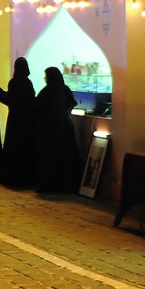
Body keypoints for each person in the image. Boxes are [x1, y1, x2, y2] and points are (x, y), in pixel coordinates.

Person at [36, 66, 80, 194]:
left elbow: (38, 109)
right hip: (65, 128)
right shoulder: (64, 89)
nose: (44, 78)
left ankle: (50, 185)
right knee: (65, 157)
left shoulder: (46, 92)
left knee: (50, 159)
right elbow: (71, 103)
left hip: (49, 132)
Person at [0, 57, 37, 187]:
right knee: (25, 147)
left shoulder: (14, 82)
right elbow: (31, 100)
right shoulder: (28, 83)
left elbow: (10, 99)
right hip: (27, 121)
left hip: (15, 120)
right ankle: (25, 177)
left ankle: (12, 176)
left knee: (13, 146)